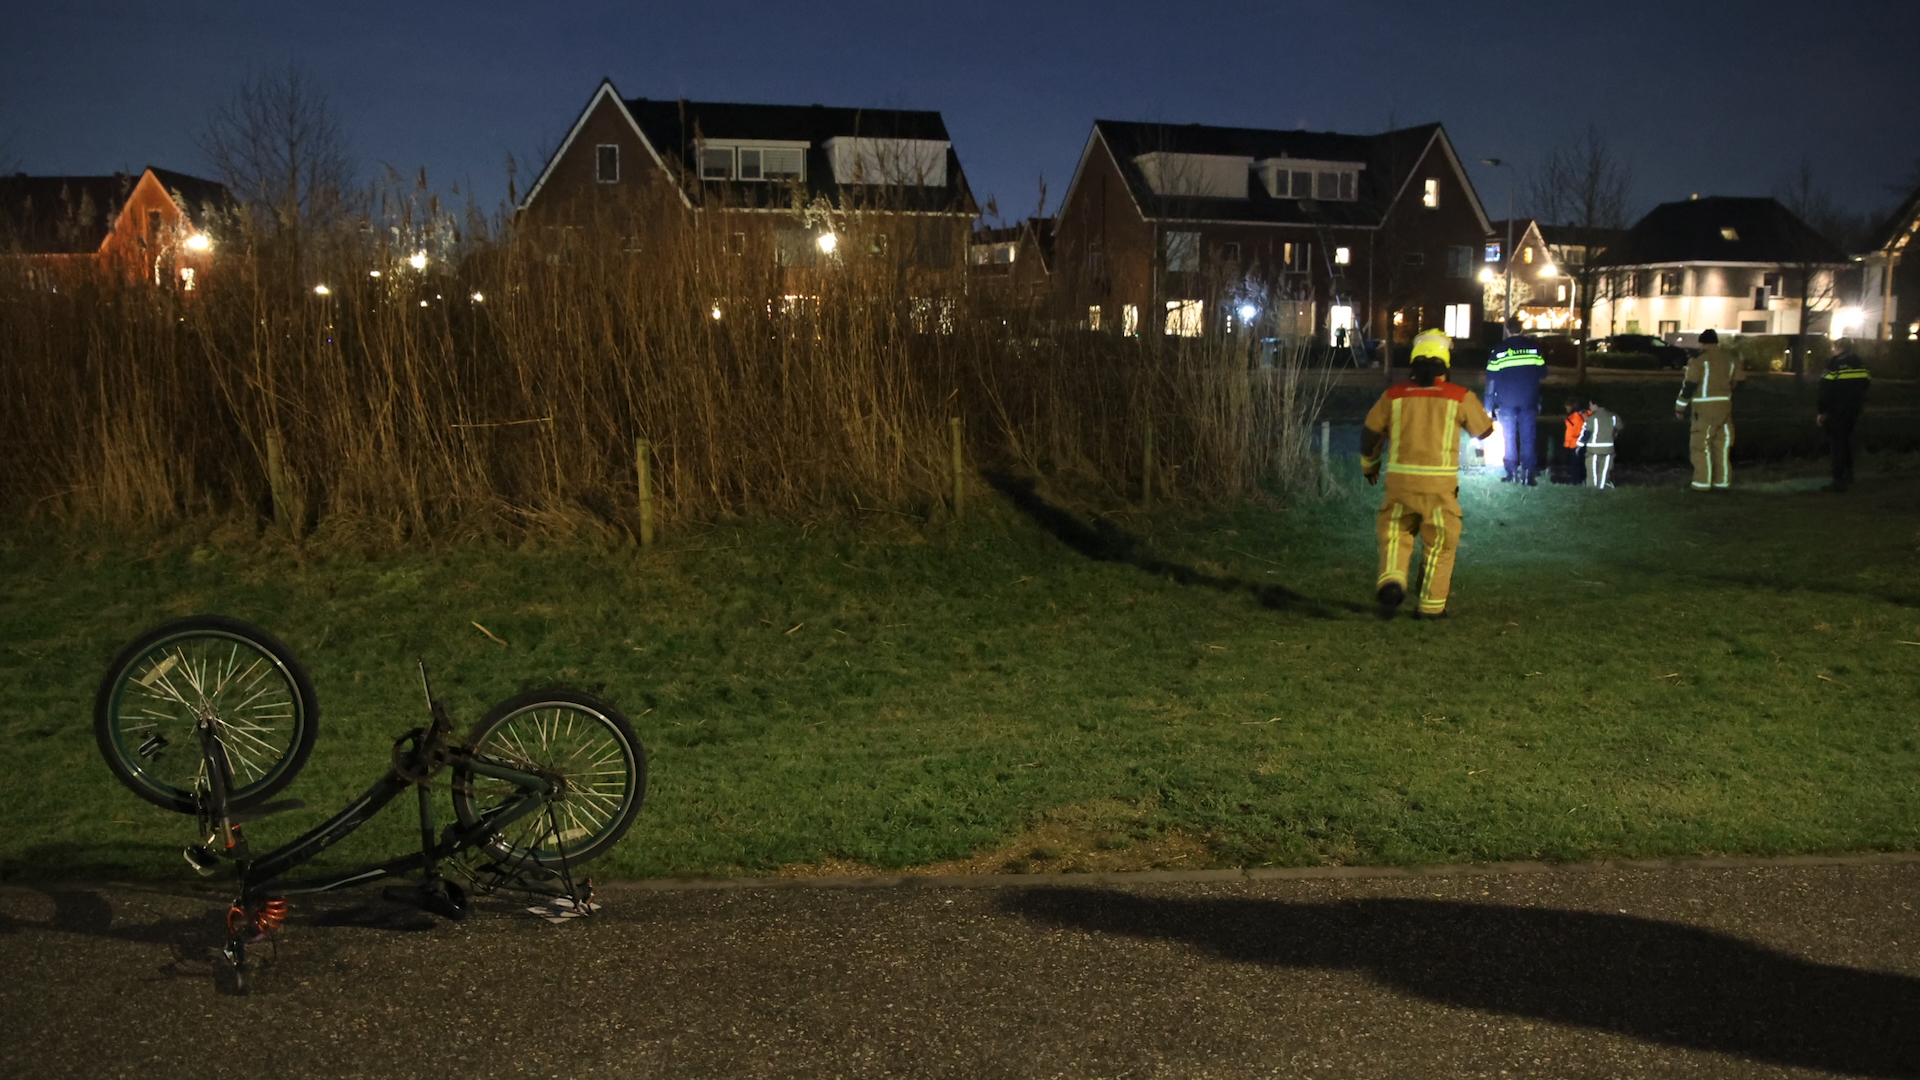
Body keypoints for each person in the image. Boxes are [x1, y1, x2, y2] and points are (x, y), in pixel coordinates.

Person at [1360, 328, 1495, 620]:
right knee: (1441, 545)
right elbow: (1484, 430)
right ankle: (1431, 608)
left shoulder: (1393, 396)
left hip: (1400, 485)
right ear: (1446, 361)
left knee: (1395, 533)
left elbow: (1370, 433)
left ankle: (1393, 581)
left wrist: (1369, 464)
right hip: (1440, 489)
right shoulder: (1459, 397)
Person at [1673, 328, 1741, 490]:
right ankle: (1722, 482)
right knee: (1722, 447)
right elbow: (1739, 382)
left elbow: (1689, 386)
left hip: (1704, 410)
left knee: (1700, 447)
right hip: (1725, 409)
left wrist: (1680, 407)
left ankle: (1701, 484)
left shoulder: (1700, 361)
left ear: (1702, 343)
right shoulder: (1731, 360)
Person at [1483, 317, 1548, 484]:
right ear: (1522, 329)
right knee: (1528, 437)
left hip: (1506, 401)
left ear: (1507, 330)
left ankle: (1511, 472)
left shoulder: (1499, 350)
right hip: (1529, 400)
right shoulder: (1533, 348)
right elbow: (1542, 373)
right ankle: (1528, 474)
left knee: (1509, 437)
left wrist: (1488, 404)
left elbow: (1491, 379)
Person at [1816, 339, 1871, 492]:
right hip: (1853, 410)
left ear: (1837, 347)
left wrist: (1822, 411)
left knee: (1837, 445)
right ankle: (1848, 476)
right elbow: (1866, 383)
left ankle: (1838, 481)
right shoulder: (1859, 362)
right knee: (1846, 442)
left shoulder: (1834, 364)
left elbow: (1826, 389)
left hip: (1836, 411)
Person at [1578, 398, 1622, 488]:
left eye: (1590, 405)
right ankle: (1602, 490)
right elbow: (1619, 428)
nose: (1589, 407)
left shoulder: (1592, 418)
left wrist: (1579, 445)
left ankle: (1593, 492)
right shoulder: (1613, 417)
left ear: (1595, 405)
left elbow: (1587, 433)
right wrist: (1613, 436)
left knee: (1592, 472)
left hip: (1593, 450)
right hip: (1608, 449)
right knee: (1604, 472)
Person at [1558, 399, 1592, 484]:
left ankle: (1576, 483)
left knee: (1575, 466)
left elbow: (1570, 433)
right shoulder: (1587, 413)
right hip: (1588, 442)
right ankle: (1586, 481)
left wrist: (1566, 446)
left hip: (1575, 444)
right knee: (1585, 464)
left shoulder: (1572, 418)